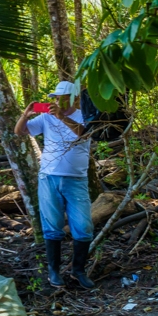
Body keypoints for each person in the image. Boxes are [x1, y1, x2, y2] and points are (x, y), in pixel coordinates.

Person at [15, 80, 94, 289]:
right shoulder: (46, 117)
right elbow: (19, 131)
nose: (57, 100)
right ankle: (54, 271)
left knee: (83, 226)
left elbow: (84, 134)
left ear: (73, 97)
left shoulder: (83, 114)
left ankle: (78, 270)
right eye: (56, 97)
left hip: (76, 178)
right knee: (52, 226)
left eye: (62, 97)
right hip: (49, 176)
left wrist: (62, 116)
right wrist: (26, 114)